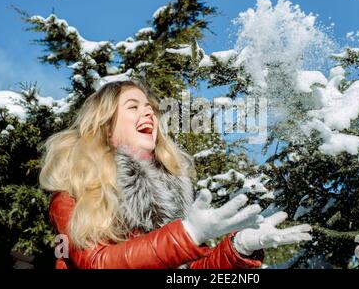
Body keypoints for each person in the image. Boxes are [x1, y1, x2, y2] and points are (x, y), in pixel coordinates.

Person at [39, 79, 312, 269]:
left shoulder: (170, 195)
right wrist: (186, 235)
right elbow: (97, 263)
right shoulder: (76, 191)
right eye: (133, 106)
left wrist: (238, 249)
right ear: (105, 126)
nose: (148, 113)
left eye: (150, 108)